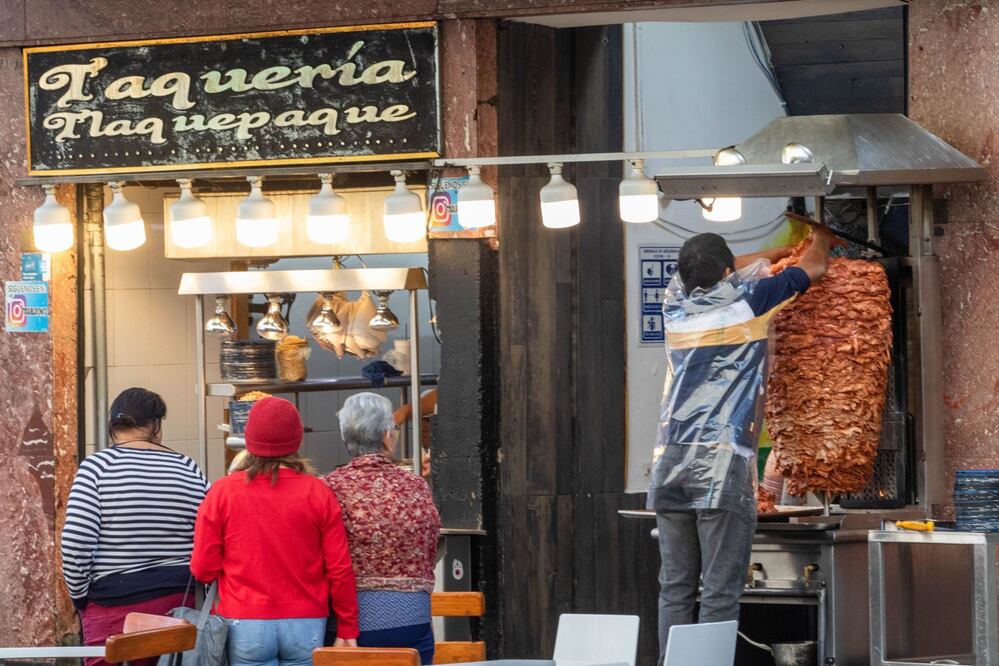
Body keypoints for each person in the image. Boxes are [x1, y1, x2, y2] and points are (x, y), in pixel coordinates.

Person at [648, 227, 835, 659]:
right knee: (719, 590)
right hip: (720, 463)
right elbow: (816, 268)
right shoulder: (747, 303)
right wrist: (819, 238)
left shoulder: (673, 300)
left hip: (670, 462)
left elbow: (726, 267)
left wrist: (778, 251)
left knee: (674, 587)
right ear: (729, 271)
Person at [191, 397, 359, 666]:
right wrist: (347, 627)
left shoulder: (222, 492)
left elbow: (202, 568)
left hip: (243, 621)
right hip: (307, 622)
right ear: (296, 440)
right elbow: (339, 568)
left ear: (249, 439)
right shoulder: (318, 492)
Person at [61, 388, 209, 666]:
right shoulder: (188, 468)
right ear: (156, 425)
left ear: (113, 427)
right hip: (179, 607)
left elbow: (75, 544)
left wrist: (80, 596)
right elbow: (210, 536)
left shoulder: (97, 467)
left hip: (113, 607)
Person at [324, 392, 441, 665]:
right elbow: (430, 547)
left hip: (346, 627)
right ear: (387, 436)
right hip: (413, 621)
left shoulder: (328, 488)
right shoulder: (416, 486)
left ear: (346, 438)